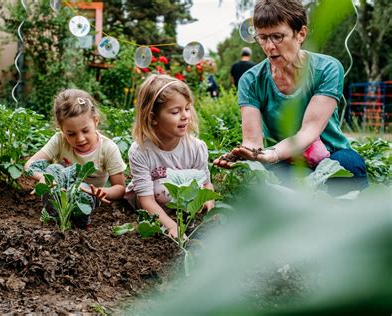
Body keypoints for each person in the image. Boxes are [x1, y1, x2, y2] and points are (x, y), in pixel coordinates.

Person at [214, 0, 368, 195]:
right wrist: (245, 156)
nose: (269, 46)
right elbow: (252, 141)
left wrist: (273, 153)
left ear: (301, 34)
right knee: (273, 186)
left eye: (277, 37)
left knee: (349, 167)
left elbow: (309, 130)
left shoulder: (327, 68)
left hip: (331, 154)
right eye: (262, 38)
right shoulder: (251, 80)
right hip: (285, 161)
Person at [126, 74, 216, 238]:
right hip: (152, 204)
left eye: (187, 109)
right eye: (175, 111)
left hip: (182, 205)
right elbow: (146, 200)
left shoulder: (196, 147)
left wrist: (209, 203)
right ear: (153, 118)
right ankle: (171, 218)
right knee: (163, 187)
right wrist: (171, 226)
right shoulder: (140, 151)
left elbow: (206, 185)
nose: (185, 116)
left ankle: (185, 217)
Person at [24, 88, 127, 228]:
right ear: (61, 129)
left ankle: (79, 227)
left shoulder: (108, 148)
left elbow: (120, 188)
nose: (80, 139)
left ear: (95, 121)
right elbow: (30, 165)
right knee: (54, 169)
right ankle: (52, 218)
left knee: (81, 189)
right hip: (59, 192)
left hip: (87, 195)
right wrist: (44, 178)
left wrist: (102, 192)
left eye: (85, 131)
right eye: (71, 134)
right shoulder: (60, 140)